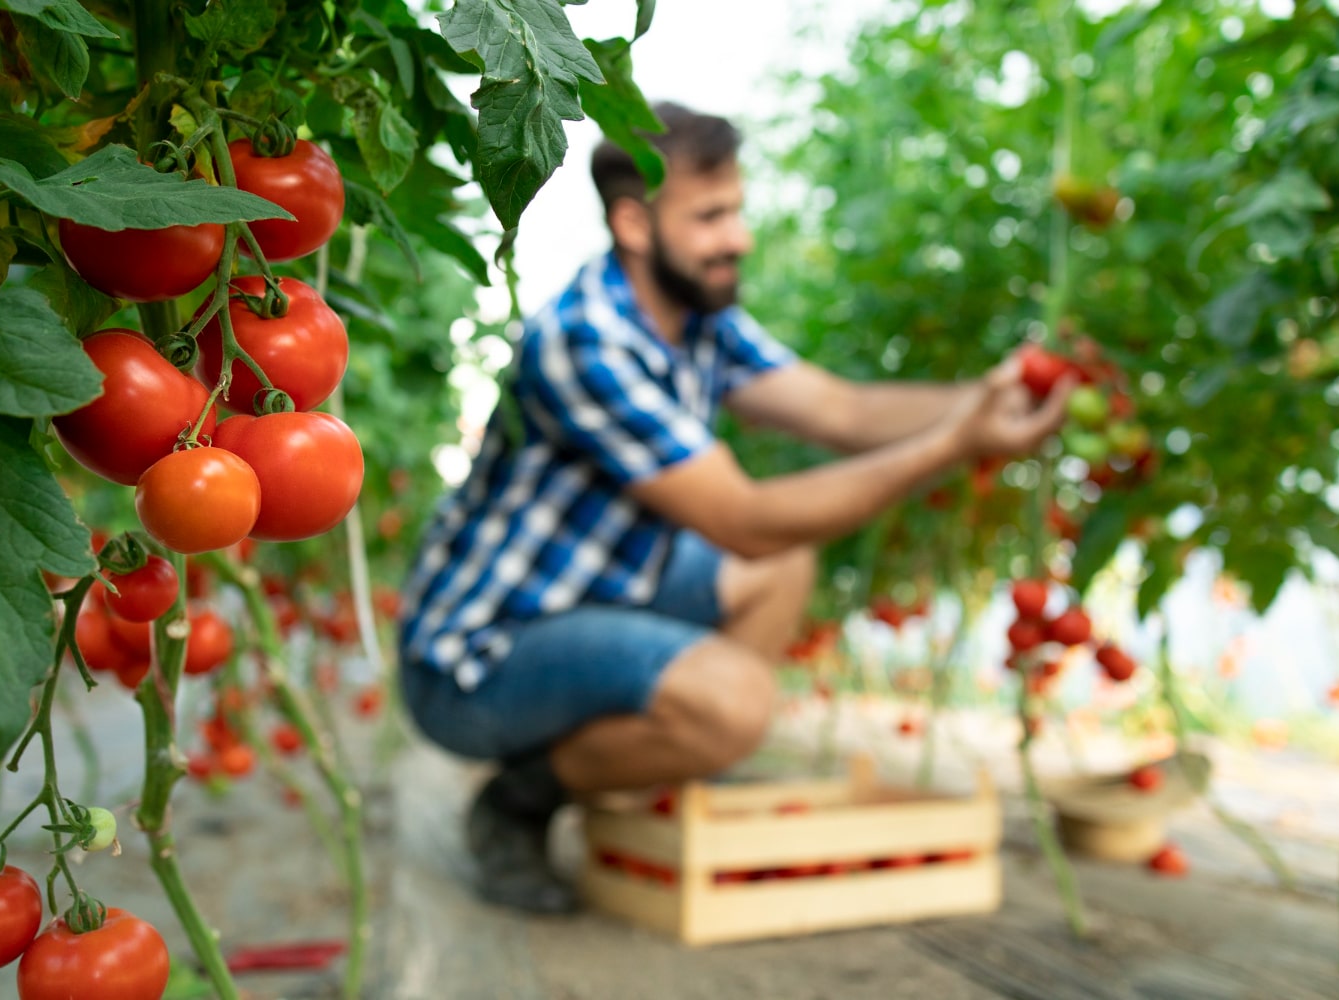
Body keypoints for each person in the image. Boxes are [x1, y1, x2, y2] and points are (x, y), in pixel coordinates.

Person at [396, 103, 1072, 914]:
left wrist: (984, 399)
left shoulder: (699, 319)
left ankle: (662, 764)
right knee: (739, 699)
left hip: (599, 596)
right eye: (711, 216)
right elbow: (741, 519)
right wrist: (956, 444)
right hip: (478, 659)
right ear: (634, 224)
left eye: (737, 210)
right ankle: (521, 800)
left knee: (781, 567)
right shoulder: (588, 338)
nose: (739, 238)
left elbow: (843, 412)